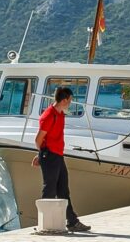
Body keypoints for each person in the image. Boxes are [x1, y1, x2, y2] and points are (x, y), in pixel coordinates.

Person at [34, 83, 90, 232]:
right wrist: (42, 155)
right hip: (51, 155)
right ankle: (46, 223)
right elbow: (38, 139)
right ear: (64, 100)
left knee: (63, 190)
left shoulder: (60, 114)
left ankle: (72, 222)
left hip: (58, 155)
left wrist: (42, 154)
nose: (70, 103)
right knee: (50, 189)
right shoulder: (49, 115)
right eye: (70, 100)